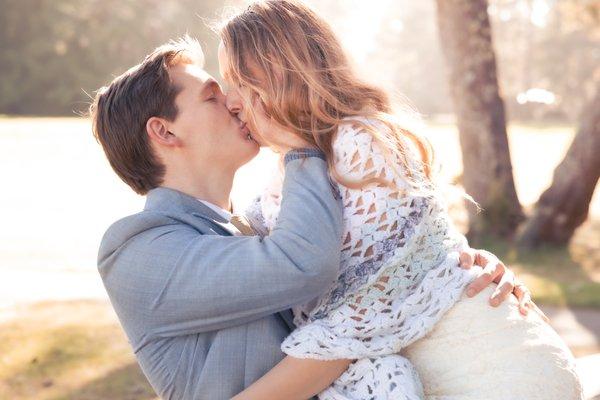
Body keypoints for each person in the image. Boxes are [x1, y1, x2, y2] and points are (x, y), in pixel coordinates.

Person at [91, 37, 535, 400]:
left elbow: (363, 261)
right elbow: (304, 264)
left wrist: (448, 266)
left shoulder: (248, 223)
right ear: (164, 132)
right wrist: (300, 142)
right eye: (212, 96)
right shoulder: (137, 249)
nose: (232, 102)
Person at [216, 1, 583, 399]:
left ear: (282, 71)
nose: (230, 100)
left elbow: (363, 310)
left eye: (238, 80)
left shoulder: (360, 142)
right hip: (434, 372)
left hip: (493, 372)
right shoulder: (284, 174)